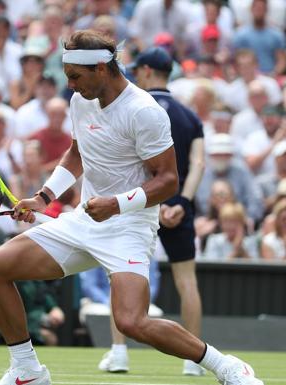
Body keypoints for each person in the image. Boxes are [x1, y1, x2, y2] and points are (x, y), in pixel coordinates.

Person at [0, 30, 263, 385]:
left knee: (131, 322)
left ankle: (228, 367)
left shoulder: (145, 111)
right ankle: (27, 370)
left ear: (101, 68)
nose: (70, 85)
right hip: (84, 220)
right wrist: (44, 197)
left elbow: (168, 180)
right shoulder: (80, 100)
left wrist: (116, 205)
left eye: (75, 77)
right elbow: (78, 154)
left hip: (129, 227)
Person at [96, 46, 207, 376]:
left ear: (144, 71)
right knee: (186, 282)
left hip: (140, 206)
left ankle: (118, 353)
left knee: (122, 276)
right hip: (178, 207)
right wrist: (182, 204)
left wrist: (152, 203)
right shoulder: (190, 116)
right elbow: (199, 162)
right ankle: (193, 360)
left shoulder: (134, 109)